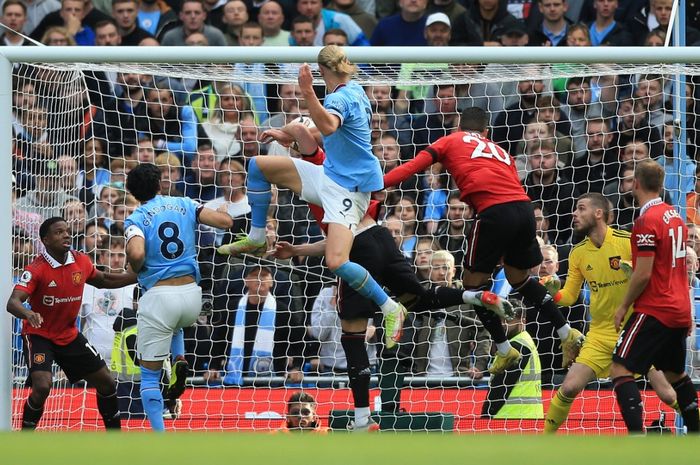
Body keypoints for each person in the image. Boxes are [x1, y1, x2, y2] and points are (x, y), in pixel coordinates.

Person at [265, 119, 510, 431]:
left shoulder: (317, 166)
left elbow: (305, 135)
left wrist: (284, 133)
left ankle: (363, 418)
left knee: (352, 335)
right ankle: (472, 295)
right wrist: (297, 249)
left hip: (358, 252)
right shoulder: (339, 176)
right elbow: (339, 238)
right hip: (380, 239)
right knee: (419, 298)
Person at [217, 45, 408, 350]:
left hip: (347, 190)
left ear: (321, 73)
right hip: (329, 177)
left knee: (336, 261)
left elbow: (328, 125)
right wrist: (288, 134)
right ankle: (255, 236)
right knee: (257, 166)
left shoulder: (338, 97)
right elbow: (326, 131)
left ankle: (389, 307)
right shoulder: (356, 90)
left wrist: (307, 92)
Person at [383, 106, 585, 375]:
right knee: (521, 280)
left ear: (458, 128)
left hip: (493, 212)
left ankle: (504, 350)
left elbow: (410, 168)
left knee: (472, 287)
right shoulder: (501, 151)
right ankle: (566, 333)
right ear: (486, 132)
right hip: (524, 210)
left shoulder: (450, 140)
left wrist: (376, 184)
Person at [543, 193, 678, 433]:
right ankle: (543, 442)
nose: (574, 213)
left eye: (581, 208)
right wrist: (555, 292)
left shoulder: (627, 242)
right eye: (575, 208)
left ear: (598, 213)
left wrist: (636, 277)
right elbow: (569, 297)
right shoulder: (577, 253)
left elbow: (659, 278)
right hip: (601, 333)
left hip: (637, 330)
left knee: (667, 394)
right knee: (569, 387)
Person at [123, 163, 235, 432]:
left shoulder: (136, 218)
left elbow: (137, 254)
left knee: (149, 377)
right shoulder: (184, 203)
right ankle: (179, 359)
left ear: (133, 193)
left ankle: (161, 438)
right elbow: (225, 222)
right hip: (191, 297)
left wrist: (137, 268)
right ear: (160, 184)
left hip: (160, 296)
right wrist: (222, 211)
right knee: (173, 325)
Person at [7, 217, 138, 430]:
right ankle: (25, 437)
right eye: (59, 232)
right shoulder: (36, 269)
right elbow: (13, 302)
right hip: (39, 335)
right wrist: (28, 314)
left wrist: (133, 277)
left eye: (67, 231)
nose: (66, 235)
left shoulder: (81, 261)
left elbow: (103, 279)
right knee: (42, 386)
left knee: (107, 383)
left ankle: (115, 437)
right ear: (46, 240)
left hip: (68, 335)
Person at [610, 159, 699, 434]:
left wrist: (624, 305)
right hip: (679, 308)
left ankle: (637, 439)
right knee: (676, 375)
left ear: (636, 184)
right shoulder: (675, 216)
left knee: (620, 370)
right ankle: (696, 436)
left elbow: (644, 274)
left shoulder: (646, 221)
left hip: (655, 308)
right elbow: (678, 267)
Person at [481, 298, 543, 419]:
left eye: (508, 321)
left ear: (522, 321)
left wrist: (485, 417)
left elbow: (500, 389)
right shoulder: (525, 341)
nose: (503, 324)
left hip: (510, 418)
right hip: (528, 417)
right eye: (501, 319)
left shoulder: (516, 347)